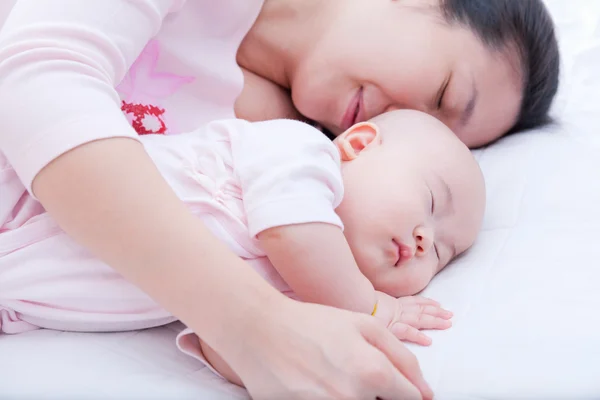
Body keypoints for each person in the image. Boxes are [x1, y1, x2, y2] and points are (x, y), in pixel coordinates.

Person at [0, 0, 558, 398]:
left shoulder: (296, 163)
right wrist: (251, 324)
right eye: (442, 95)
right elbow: (37, 81)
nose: (410, 119)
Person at [0, 109, 485, 386]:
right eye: (429, 201)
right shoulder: (297, 152)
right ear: (358, 144)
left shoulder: (302, 298)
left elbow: (230, 343)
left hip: (18, 294)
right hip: (25, 191)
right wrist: (371, 306)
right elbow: (291, 229)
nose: (426, 239)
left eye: (442, 252)